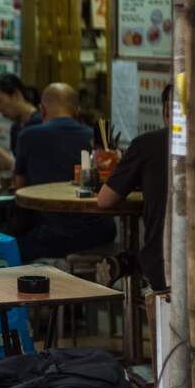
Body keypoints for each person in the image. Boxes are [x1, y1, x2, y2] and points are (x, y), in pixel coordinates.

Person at [13, 83, 115, 261]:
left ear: (42, 110)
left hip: (54, 235)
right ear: (77, 111)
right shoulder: (96, 140)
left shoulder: (27, 136)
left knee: (12, 242)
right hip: (101, 232)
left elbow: (19, 188)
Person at [96, 84, 172, 291]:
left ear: (166, 111)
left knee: (135, 256)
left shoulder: (147, 145)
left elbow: (105, 200)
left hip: (162, 267)